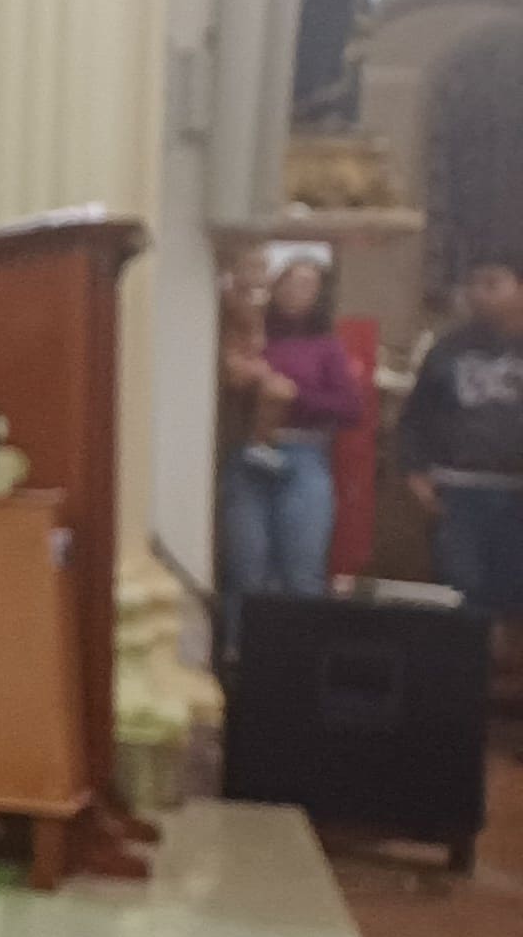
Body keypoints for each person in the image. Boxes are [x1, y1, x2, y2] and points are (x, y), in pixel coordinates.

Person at [217, 246, 363, 650]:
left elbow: (350, 408)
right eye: (291, 281)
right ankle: (241, 660)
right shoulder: (246, 332)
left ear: (319, 294)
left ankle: (301, 661)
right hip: (246, 454)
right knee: (245, 567)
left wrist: (296, 395)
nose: (298, 291)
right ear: (275, 284)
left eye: (308, 284)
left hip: (303, 456)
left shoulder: (325, 346)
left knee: (302, 570)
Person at [399, 255, 523, 670]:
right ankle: (464, 682)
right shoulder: (448, 348)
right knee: (461, 587)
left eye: (492, 283)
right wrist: (415, 472)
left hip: (517, 491)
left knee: (513, 589)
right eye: (473, 284)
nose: (478, 294)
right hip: (458, 488)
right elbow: (415, 417)